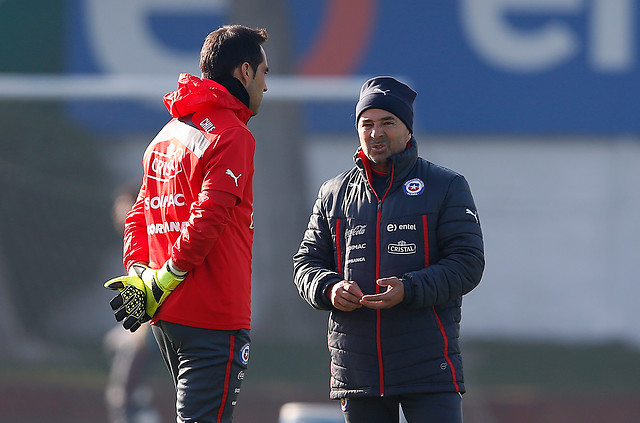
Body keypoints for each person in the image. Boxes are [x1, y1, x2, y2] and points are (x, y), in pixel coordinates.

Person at [293, 76, 484, 423]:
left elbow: (468, 263)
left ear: (407, 129)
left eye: (387, 123)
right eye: (366, 124)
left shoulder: (446, 186)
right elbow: (306, 263)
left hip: (428, 367)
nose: (375, 133)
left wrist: (409, 289)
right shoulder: (334, 192)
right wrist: (329, 288)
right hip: (358, 371)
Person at [104, 24, 269, 423]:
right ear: (244, 72)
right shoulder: (233, 135)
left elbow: (139, 215)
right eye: (265, 74)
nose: (266, 87)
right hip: (213, 315)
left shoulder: (167, 134)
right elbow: (208, 217)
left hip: (168, 315)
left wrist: (142, 274)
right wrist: (165, 277)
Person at [104, 182, 162, 423]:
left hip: (160, 322)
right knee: (113, 341)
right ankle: (140, 402)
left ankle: (130, 408)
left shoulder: (152, 238)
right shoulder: (132, 241)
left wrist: (144, 326)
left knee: (119, 394)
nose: (118, 212)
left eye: (123, 205)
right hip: (146, 323)